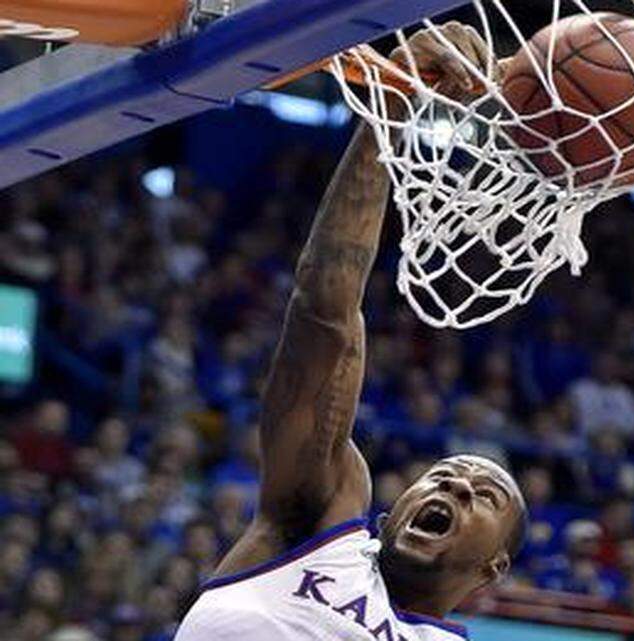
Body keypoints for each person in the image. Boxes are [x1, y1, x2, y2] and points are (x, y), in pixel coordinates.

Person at [174, 24, 528, 641]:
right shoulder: (320, 525)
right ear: (391, 516)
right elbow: (325, 312)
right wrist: (389, 108)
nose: (456, 485)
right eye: (443, 478)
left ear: (494, 565)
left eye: (484, 496)